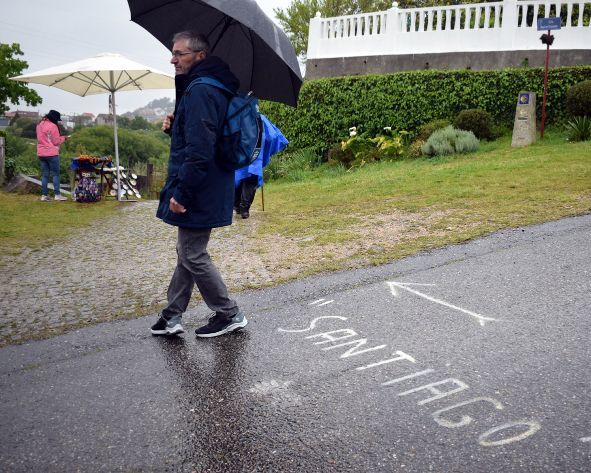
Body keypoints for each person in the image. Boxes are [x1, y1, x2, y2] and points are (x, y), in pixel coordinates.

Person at [151, 30, 247, 338]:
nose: (173, 59)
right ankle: (171, 315)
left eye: (179, 54)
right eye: (173, 52)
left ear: (199, 57)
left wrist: (182, 192)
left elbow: (199, 152)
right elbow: (201, 139)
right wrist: (175, 127)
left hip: (200, 186)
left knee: (192, 253)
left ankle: (228, 312)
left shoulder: (201, 91)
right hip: (210, 182)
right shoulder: (211, 88)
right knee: (188, 250)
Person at [234, 115, 289, 219]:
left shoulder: (235, 116)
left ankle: (237, 206)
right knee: (251, 178)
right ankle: (244, 209)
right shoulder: (260, 118)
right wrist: (266, 150)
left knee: (239, 177)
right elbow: (272, 136)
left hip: (240, 155)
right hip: (255, 154)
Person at [36, 110, 68, 201]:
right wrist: (64, 138)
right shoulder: (53, 126)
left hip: (41, 153)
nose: (57, 121)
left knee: (45, 175)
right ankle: (57, 195)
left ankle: (44, 196)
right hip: (52, 153)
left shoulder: (39, 124)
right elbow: (55, 142)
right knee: (55, 175)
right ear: (54, 119)